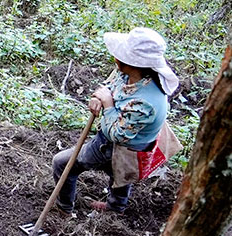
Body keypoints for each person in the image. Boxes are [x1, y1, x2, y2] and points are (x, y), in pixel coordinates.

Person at [52, 27, 179, 213]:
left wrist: (108, 104)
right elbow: (111, 85)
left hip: (117, 147)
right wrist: (99, 96)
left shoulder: (146, 102)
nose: (115, 57)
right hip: (133, 148)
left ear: (131, 62)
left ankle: (63, 209)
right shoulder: (134, 75)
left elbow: (118, 135)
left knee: (62, 163)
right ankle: (116, 206)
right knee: (120, 174)